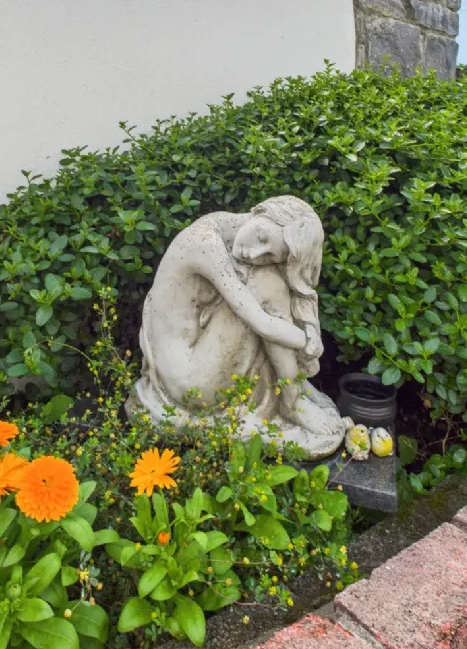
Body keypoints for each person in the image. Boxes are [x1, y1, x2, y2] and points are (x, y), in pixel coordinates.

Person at [130, 195, 346, 458]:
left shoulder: (228, 231)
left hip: (193, 354)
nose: (255, 254)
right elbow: (263, 323)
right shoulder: (205, 242)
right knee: (267, 285)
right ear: (260, 211)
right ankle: (292, 400)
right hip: (187, 380)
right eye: (262, 237)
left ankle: (292, 386)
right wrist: (308, 341)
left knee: (269, 280)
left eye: (269, 256)